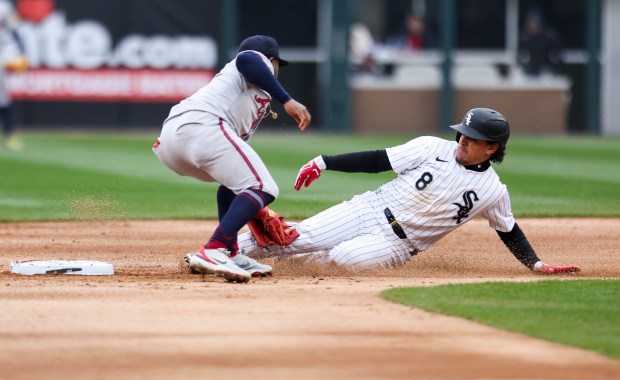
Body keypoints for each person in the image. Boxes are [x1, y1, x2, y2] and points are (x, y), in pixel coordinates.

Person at [237, 108, 580, 275]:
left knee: (341, 260)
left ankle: (289, 266)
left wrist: (535, 264)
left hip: (398, 244)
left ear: (491, 148)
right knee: (295, 236)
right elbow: (377, 160)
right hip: (369, 209)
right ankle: (219, 251)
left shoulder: (492, 191)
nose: (462, 139)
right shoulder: (431, 147)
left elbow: (509, 230)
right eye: (462, 132)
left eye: (471, 137)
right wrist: (324, 162)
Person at [153, 35, 312, 283]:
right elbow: (248, 59)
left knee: (237, 186)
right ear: (271, 61)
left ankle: (229, 250)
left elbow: (232, 185)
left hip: (175, 142)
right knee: (264, 187)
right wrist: (287, 100)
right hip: (200, 125)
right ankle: (214, 249)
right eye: (276, 64)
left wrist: (251, 207)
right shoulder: (251, 64)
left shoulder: (247, 93)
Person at [0, 0, 28, 150]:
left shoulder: (3, 6)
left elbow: (14, 30)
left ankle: (9, 134)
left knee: (3, 98)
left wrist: (22, 51)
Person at [518, 10, 562, 77]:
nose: (533, 27)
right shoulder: (524, 38)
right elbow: (521, 57)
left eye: (535, 24)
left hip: (547, 71)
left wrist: (553, 67)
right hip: (529, 71)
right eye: (530, 24)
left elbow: (557, 55)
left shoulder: (550, 37)